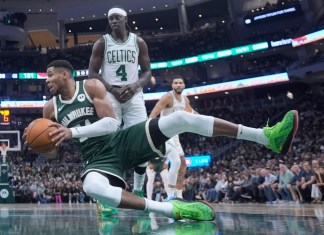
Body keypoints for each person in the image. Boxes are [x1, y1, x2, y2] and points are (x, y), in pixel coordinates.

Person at [28, 60, 298, 222]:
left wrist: (71, 132)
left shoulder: (90, 86)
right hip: (97, 159)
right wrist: (45, 147)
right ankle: (173, 209)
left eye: (50, 74)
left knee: (180, 117)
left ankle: (267, 137)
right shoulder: (49, 110)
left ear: (65, 75)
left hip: (121, 140)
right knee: (91, 186)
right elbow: (53, 153)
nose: (47, 80)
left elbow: (111, 124)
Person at [88, 6, 151, 215]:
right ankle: (108, 198)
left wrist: (134, 86)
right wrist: (113, 89)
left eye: (117, 18)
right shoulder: (101, 43)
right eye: (110, 19)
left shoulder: (138, 41)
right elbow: (92, 73)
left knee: (141, 142)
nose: (113, 21)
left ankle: (139, 190)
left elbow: (147, 71)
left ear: (125, 18)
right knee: (110, 145)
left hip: (134, 97)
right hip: (110, 96)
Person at [149, 76, 194, 199]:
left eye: (180, 83)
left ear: (184, 85)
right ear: (172, 85)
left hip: (175, 135)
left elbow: (193, 114)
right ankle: (170, 196)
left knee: (183, 165)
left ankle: (179, 196)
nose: (178, 85)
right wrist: (149, 131)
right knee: (176, 162)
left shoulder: (185, 100)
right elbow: (154, 114)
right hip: (164, 133)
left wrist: (207, 120)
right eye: (175, 83)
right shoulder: (168, 97)